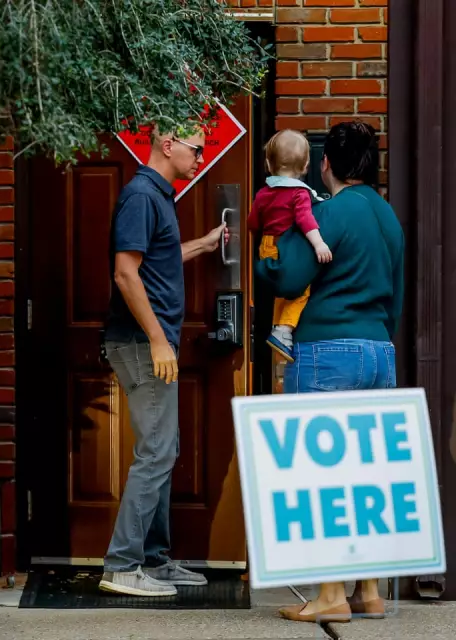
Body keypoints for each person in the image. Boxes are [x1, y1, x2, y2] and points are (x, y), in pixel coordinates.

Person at [255, 121, 405, 623]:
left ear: (326, 164)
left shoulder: (330, 212)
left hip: (327, 352)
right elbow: (398, 295)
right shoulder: (388, 218)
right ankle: (369, 590)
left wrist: (264, 260)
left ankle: (329, 596)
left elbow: (292, 274)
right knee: (364, 475)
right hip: (380, 350)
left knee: (319, 476)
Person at [99, 125, 229, 597]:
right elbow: (125, 272)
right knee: (156, 451)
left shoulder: (157, 196)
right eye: (196, 148)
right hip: (140, 342)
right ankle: (122, 565)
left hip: (150, 342)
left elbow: (156, 259)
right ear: (168, 144)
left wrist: (204, 244)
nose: (200, 156)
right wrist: (157, 339)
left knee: (163, 450)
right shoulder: (140, 196)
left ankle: (153, 560)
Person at [248, 129, 332, 362]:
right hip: (287, 247)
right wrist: (319, 244)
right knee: (301, 289)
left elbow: (253, 222)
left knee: (279, 293)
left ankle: (279, 331)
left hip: (267, 245)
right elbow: (306, 220)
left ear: (268, 163)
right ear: (306, 165)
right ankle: (284, 329)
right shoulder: (299, 194)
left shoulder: (264, 193)